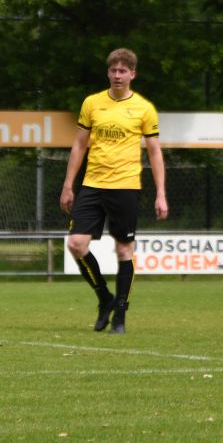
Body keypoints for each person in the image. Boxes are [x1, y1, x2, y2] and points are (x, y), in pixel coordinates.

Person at [59, 48, 168, 335]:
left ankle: (120, 312)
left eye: (123, 71)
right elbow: (79, 145)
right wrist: (68, 185)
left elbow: (155, 152)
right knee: (76, 244)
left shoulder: (144, 108)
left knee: (123, 250)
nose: (117, 75)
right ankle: (104, 297)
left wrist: (161, 193)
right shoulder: (92, 103)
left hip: (125, 186)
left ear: (132, 74)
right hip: (92, 185)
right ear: (108, 73)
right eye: (113, 70)